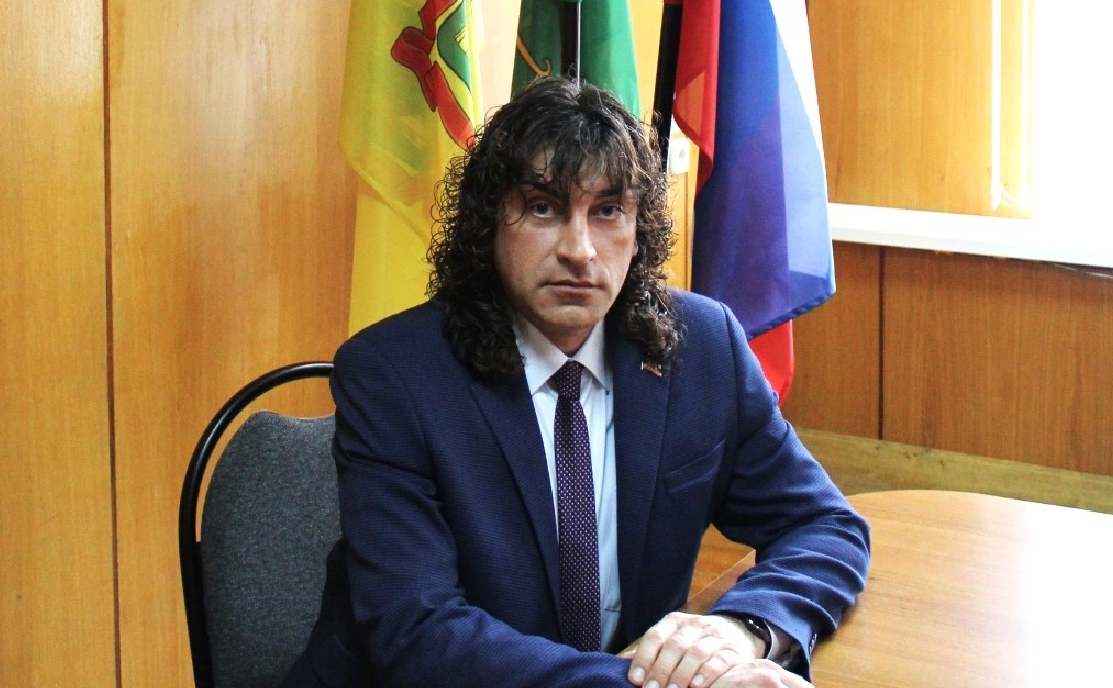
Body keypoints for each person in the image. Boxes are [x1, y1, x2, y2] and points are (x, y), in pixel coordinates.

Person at [284, 77, 869, 688]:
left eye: (608, 211)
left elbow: (824, 525)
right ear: (488, 224)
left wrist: (741, 630)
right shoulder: (394, 376)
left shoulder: (704, 347)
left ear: (639, 229)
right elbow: (419, 636)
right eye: (544, 207)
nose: (581, 250)